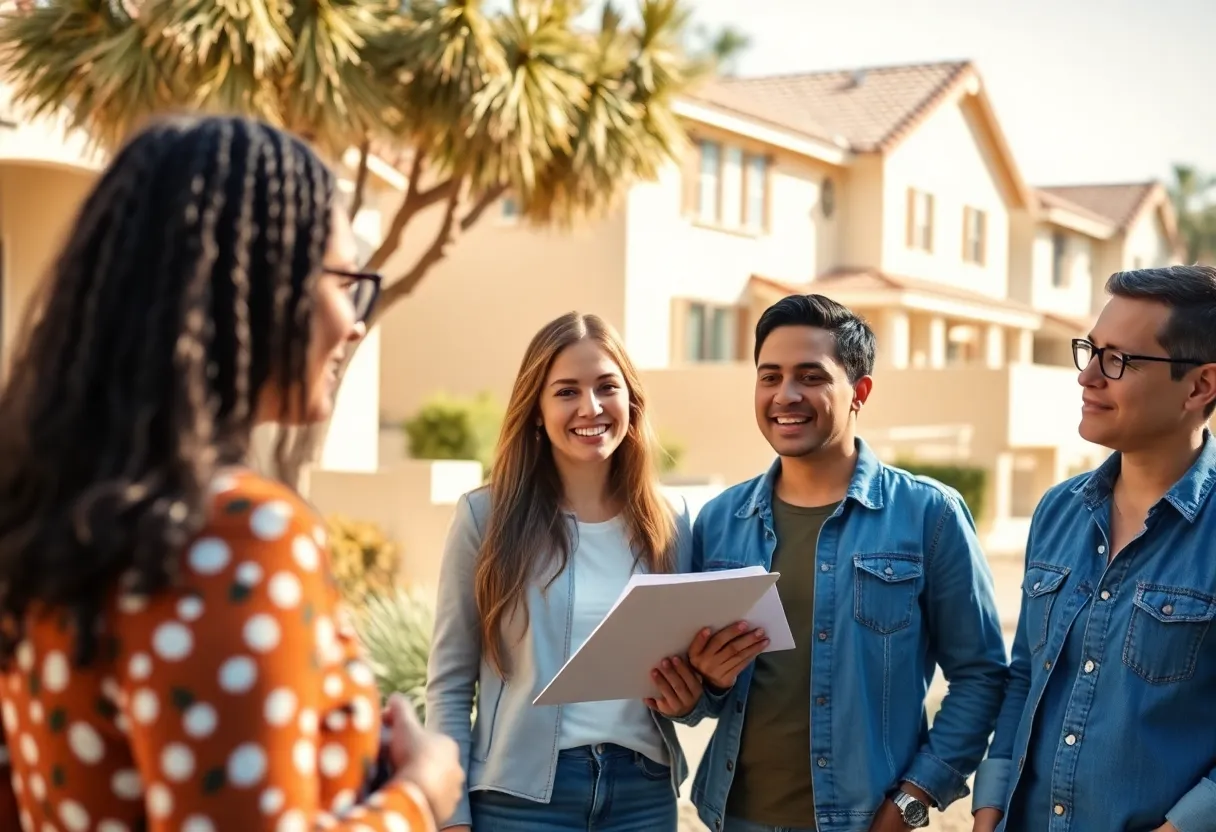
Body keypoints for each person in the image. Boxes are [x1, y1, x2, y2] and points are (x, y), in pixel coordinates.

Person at [0, 115, 463, 831]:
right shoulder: (236, 534)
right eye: (345, 280)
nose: (355, 322)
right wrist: (421, 795)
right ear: (254, 285)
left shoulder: (45, 529)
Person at [672, 294, 1010, 832]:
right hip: (732, 816)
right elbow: (696, 699)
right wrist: (703, 684)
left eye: (811, 376)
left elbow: (982, 675)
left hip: (867, 821)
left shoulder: (930, 515)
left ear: (860, 392)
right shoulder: (719, 521)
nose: (786, 395)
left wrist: (912, 801)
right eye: (770, 376)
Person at [426, 311, 701, 831]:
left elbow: (692, 685)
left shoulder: (672, 522)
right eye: (567, 391)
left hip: (643, 796)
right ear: (536, 409)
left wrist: (689, 699)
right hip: (518, 801)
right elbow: (449, 684)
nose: (590, 407)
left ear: (631, 400)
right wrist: (450, 815)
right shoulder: (484, 518)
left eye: (606, 387)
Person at [971, 265, 1216, 832]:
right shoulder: (1058, 510)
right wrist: (989, 809)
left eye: (1119, 360)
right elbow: (1026, 675)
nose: (1088, 378)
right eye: (1091, 350)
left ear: (1200, 386)